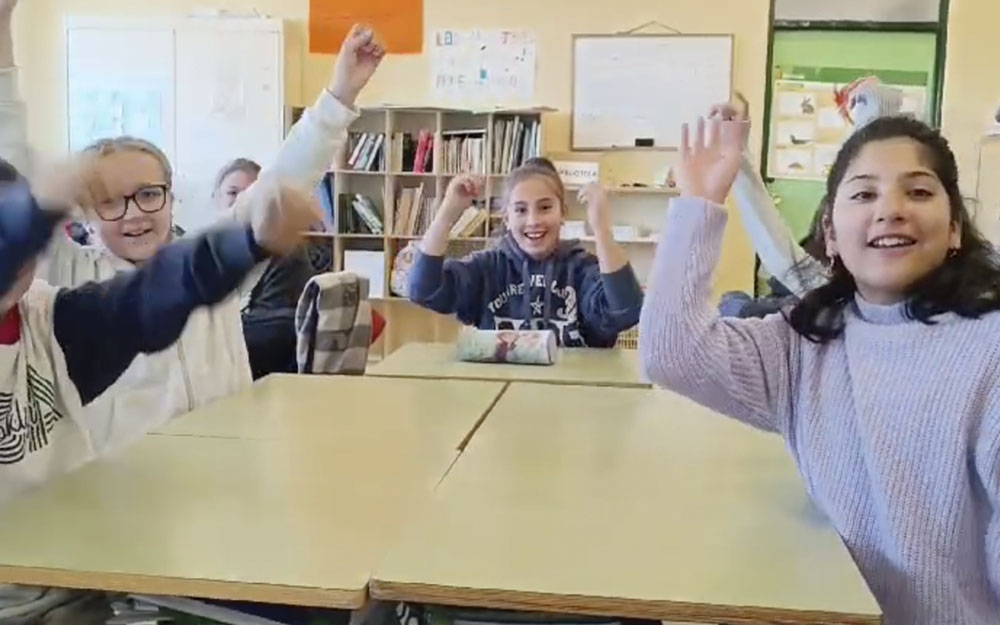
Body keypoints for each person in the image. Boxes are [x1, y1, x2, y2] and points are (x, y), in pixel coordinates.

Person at [639, 114, 1000, 625]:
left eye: (918, 193)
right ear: (829, 233)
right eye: (863, 194)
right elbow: (672, 352)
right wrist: (698, 203)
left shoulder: (989, 347)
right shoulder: (805, 343)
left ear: (955, 228)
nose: (890, 210)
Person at [0, 6, 385, 438]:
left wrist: (341, 91)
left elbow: (279, 184)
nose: (135, 214)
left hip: (225, 468)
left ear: (170, 196)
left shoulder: (205, 262)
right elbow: (10, 186)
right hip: (125, 489)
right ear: (86, 215)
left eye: (148, 194)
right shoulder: (70, 281)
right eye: (110, 202)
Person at [408, 157, 643, 347]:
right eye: (521, 210)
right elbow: (422, 290)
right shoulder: (487, 268)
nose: (533, 220)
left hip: (574, 397)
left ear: (562, 213)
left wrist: (601, 228)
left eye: (545, 207)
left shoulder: (582, 268)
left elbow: (627, 310)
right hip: (502, 394)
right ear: (507, 219)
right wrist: (449, 210)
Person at [212, 157, 316, 377]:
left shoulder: (286, 253)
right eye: (232, 193)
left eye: (251, 195)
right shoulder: (206, 252)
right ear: (216, 199)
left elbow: (270, 334)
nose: (241, 202)